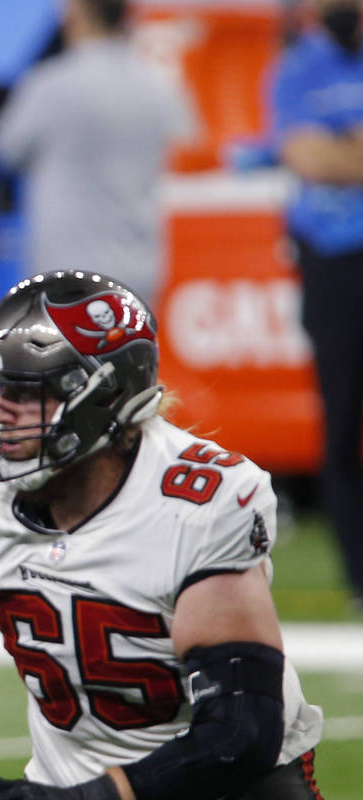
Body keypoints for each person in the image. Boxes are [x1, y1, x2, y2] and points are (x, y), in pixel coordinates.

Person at [0, 271, 324, 800]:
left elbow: (239, 734)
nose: (1, 414)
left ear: (104, 399)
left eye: (27, 391)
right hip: (71, 782)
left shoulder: (195, 504)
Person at [0, 0, 195, 305]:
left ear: (76, 14)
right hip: (139, 273)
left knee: (63, 354)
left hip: (63, 275)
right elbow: (186, 145)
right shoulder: (157, 85)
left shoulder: (50, 85)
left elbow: (1, 152)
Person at [271, 0, 363, 611]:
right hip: (334, 260)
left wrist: (342, 152)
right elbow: (308, 158)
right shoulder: (297, 69)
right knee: (344, 424)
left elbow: (331, 158)